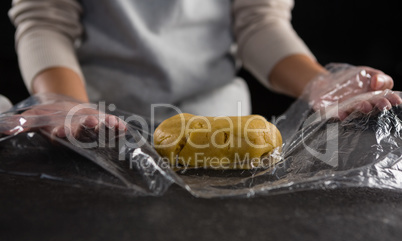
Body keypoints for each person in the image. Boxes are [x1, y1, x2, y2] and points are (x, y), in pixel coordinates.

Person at [8, 0, 400, 138]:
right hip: (91, 120)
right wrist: (63, 102)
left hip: (215, 120)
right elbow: (47, 21)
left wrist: (319, 82)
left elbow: (259, 23)